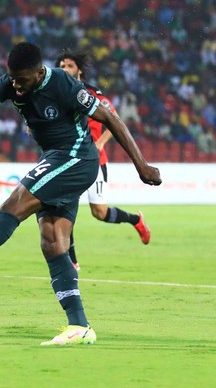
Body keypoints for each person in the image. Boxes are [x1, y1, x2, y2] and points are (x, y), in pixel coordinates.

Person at [0, 42, 161, 345]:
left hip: (76, 158)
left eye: (22, 79)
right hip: (54, 158)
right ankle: (79, 325)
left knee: (14, 205)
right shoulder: (9, 83)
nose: (16, 85)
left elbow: (111, 118)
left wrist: (142, 166)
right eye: (12, 78)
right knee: (53, 241)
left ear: (39, 72)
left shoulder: (64, 84)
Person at [55, 50, 151, 271]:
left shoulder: (92, 94)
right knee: (65, 207)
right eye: (61, 66)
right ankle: (72, 260)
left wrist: (101, 143)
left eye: (69, 65)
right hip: (69, 160)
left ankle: (135, 221)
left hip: (95, 161)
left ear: (79, 70)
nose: (64, 69)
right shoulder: (57, 94)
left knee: (100, 212)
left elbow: (115, 119)